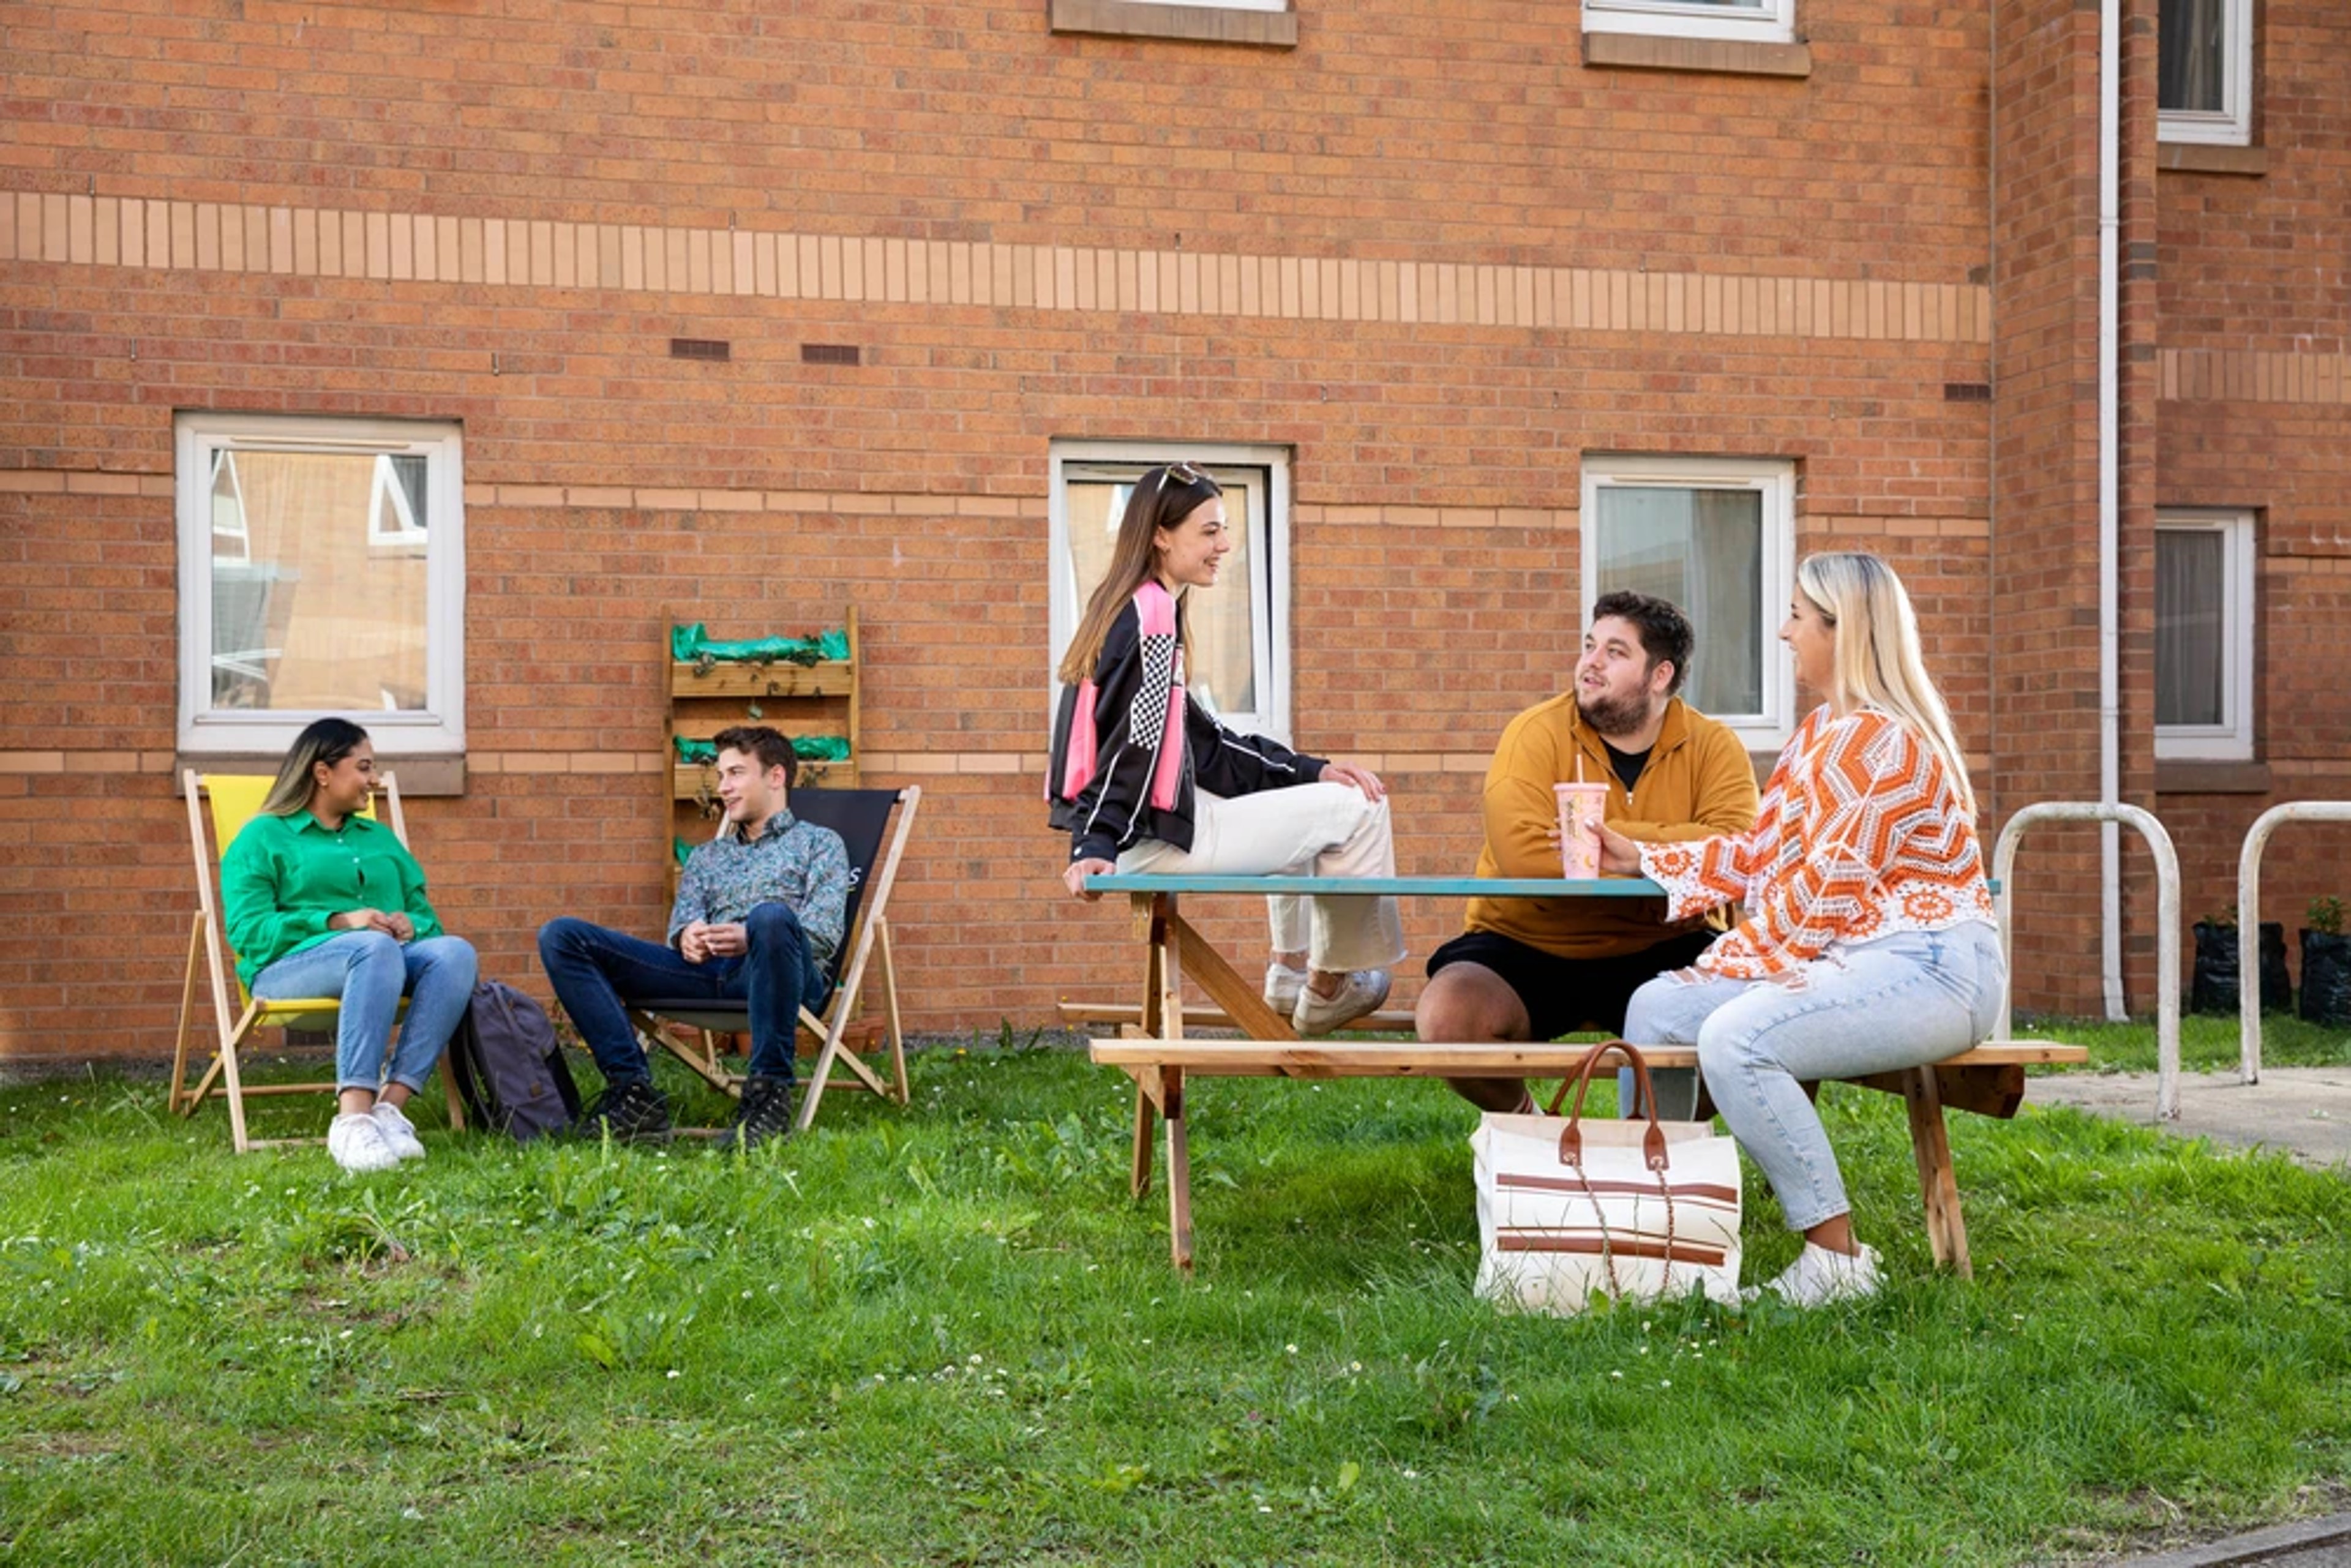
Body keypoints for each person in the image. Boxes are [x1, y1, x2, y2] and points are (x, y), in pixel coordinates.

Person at [1606, 552, 2005, 1307]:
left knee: (1737, 1035)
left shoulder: (1886, 744)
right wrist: (1643, 854)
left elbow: (1822, 895)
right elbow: (1763, 853)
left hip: (1933, 966)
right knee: (1655, 1007)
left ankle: (1836, 1259)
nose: (1785, 632)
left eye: (1797, 616)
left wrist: (1723, 966)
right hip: (1853, 959)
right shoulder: (1822, 731)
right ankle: (1652, 1229)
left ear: (1841, 629)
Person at [1048, 461, 1404, 1034]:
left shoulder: (1130, 606)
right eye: (1209, 531)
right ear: (1162, 535)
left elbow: (1206, 745)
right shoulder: (1152, 619)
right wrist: (1098, 838)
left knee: (1313, 814)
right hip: (1152, 837)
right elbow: (1133, 744)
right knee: (1363, 809)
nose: (1226, 544)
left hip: (1146, 828)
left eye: (1225, 529)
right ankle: (1333, 980)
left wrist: (1310, 771)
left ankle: (1290, 973)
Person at [1417, 591, 1761, 1114]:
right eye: (1589, 646)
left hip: (1664, 941)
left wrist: (1623, 846)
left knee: (1761, 1015)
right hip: (1529, 939)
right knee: (1449, 1017)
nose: (1590, 664)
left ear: (1660, 674)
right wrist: (1671, 854)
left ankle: (1650, 1144)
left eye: (1615, 652)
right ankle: (1530, 1127)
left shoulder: (1715, 746)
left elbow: (1740, 848)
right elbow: (1523, 854)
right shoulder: (1533, 733)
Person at [539, 726, 849, 1150]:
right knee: (562, 936)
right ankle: (633, 1094)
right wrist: (688, 936)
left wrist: (752, 935)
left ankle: (768, 1097)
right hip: (705, 974)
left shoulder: (820, 845)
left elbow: (822, 935)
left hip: (782, 975)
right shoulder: (708, 856)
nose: (724, 787)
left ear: (775, 777)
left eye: (736, 773)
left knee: (771, 917)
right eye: (721, 775)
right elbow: (683, 921)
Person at [220, 718, 478, 1172]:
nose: (373, 779)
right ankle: (352, 1118)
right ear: (323, 772)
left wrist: (407, 924)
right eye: (363, 767)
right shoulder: (262, 836)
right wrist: (339, 921)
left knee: (455, 952)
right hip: (287, 970)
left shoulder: (378, 838)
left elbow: (427, 918)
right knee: (369, 946)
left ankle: (389, 1109)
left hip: (381, 959)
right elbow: (248, 930)